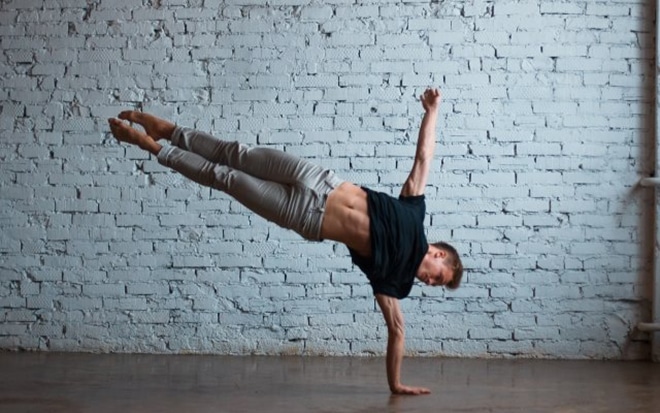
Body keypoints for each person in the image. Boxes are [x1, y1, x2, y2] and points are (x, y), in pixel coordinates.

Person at [107, 87, 464, 396]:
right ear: (438, 254)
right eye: (438, 277)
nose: (430, 283)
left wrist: (395, 384)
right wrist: (432, 111)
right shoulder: (414, 214)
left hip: (302, 215)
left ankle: (152, 147)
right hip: (319, 180)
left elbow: (397, 330)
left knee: (224, 177)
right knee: (236, 153)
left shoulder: (395, 281)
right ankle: (167, 130)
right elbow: (423, 158)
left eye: (435, 285)